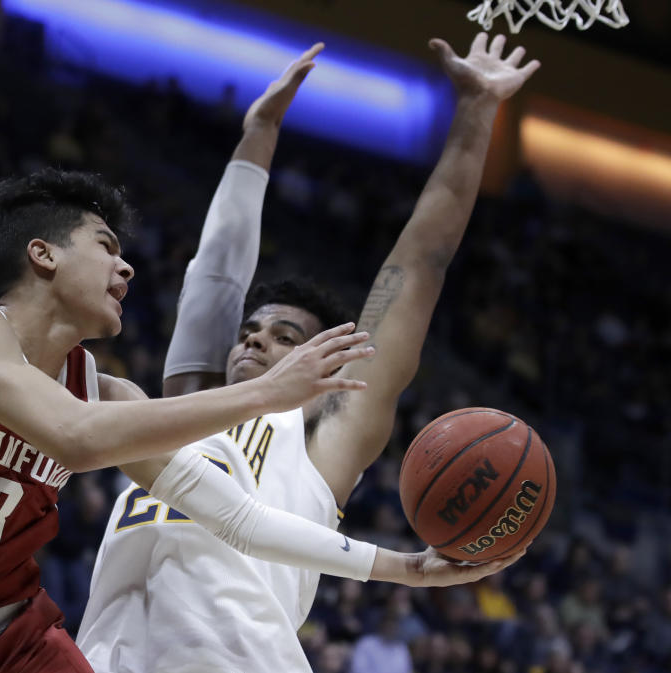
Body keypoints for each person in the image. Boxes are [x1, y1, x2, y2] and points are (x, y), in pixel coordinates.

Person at [78, 33, 540, 673]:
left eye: (286, 338)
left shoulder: (323, 434)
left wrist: (476, 112)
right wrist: (258, 133)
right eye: (252, 331)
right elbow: (215, 273)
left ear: (329, 373)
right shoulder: (187, 407)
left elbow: (420, 262)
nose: (255, 339)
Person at [0, 166, 375, 672]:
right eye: (106, 247)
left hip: (16, 638)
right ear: (44, 254)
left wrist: (405, 567)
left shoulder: (105, 391)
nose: (126, 265)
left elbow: (241, 520)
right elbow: (74, 438)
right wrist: (266, 392)